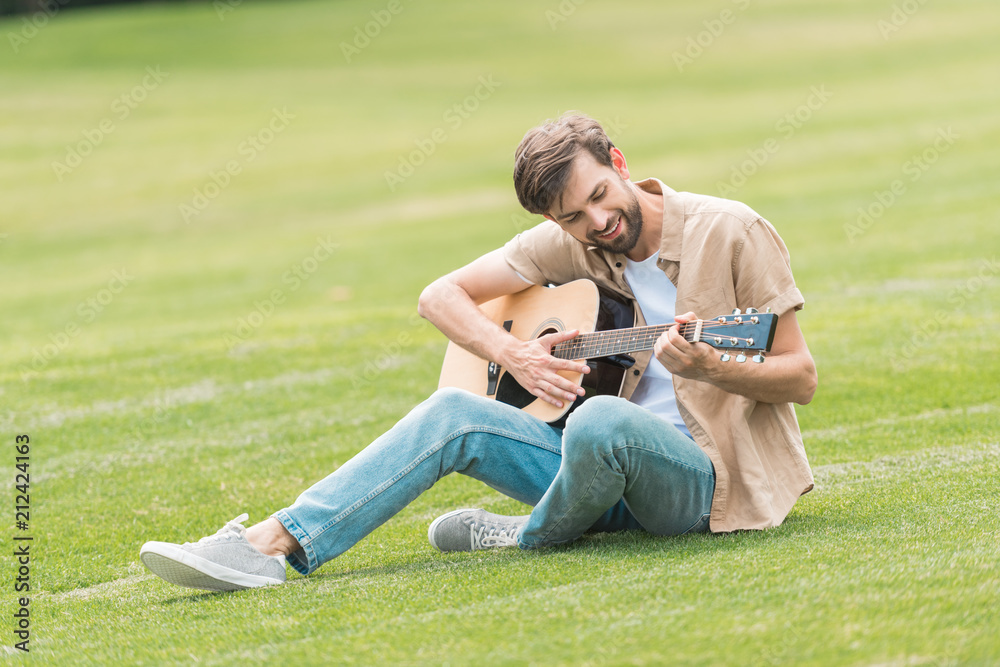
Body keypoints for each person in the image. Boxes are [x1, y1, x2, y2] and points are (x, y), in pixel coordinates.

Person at [140, 113, 817, 592]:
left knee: (597, 421)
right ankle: (271, 544)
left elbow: (801, 376)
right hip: (592, 475)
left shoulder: (731, 231)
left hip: (703, 484)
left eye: (599, 197)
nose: (597, 223)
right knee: (451, 411)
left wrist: (712, 365)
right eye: (573, 218)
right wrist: (514, 355)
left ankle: (524, 533)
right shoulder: (575, 242)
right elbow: (440, 295)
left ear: (620, 164)